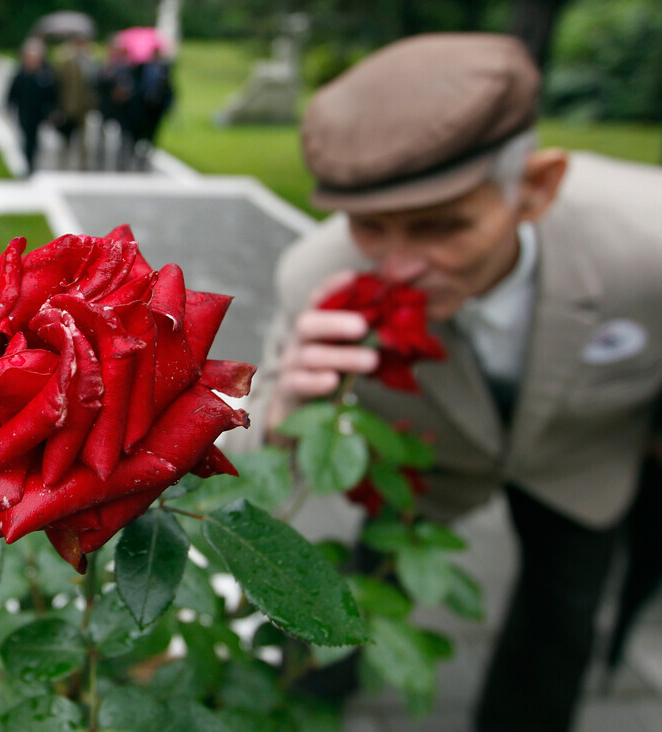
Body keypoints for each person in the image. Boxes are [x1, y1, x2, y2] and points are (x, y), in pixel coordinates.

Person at [235, 33, 662, 732]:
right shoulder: (318, 275)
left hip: (586, 462)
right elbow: (255, 443)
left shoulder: (648, 244)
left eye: (442, 227)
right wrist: (283, 405)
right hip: (425, 470)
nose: (399, 266)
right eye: (370, 226)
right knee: (345, 598)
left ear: (536, 188)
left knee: (562, 624)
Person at [6, 37, 56, 175]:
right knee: (26, 138)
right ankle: (28, 163)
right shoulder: (21, 74)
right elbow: (12, 94)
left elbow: (51, 94)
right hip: (24, 112)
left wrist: (51, 110)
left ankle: (32, 163)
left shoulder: (45, 74)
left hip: (39, 112)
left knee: (35, 139)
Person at [53, 37, 98, 170]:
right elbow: (60, 84)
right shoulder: (66, 63)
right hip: (68, 106)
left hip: (84, 107)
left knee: (84, 138)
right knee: (66, 137)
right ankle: (63, 164)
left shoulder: (91, 63)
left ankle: (84, 165)